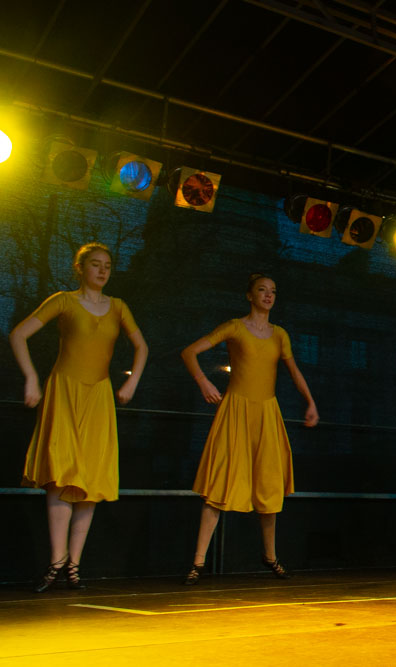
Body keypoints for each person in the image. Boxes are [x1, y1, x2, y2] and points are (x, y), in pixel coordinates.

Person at [10, 242, 148, 592]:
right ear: (80, 268)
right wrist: (31, 377)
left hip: (99, 395)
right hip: (64, 393)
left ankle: (74, 566)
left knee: (90, 481)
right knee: (60, 476)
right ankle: (56, 563)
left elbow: (142, 346)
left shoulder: (118, 307)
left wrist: (132, 383)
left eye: (107, 266)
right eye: (95, 264)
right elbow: (19, 334)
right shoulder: (64, 301)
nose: (102, 271)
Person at [180, 274, 318, 584]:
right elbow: (189, 352)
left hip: (267, 413)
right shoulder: (234, 327)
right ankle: (198, 562)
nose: (269, 296)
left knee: (268, 486)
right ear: (249, 295)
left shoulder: (280, 334)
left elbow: (294, 371)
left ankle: (270, 557)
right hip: (235, 411)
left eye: (273, 291)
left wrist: (310, 402)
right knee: (219, 485)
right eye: (262, 290)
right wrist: (203, 381)